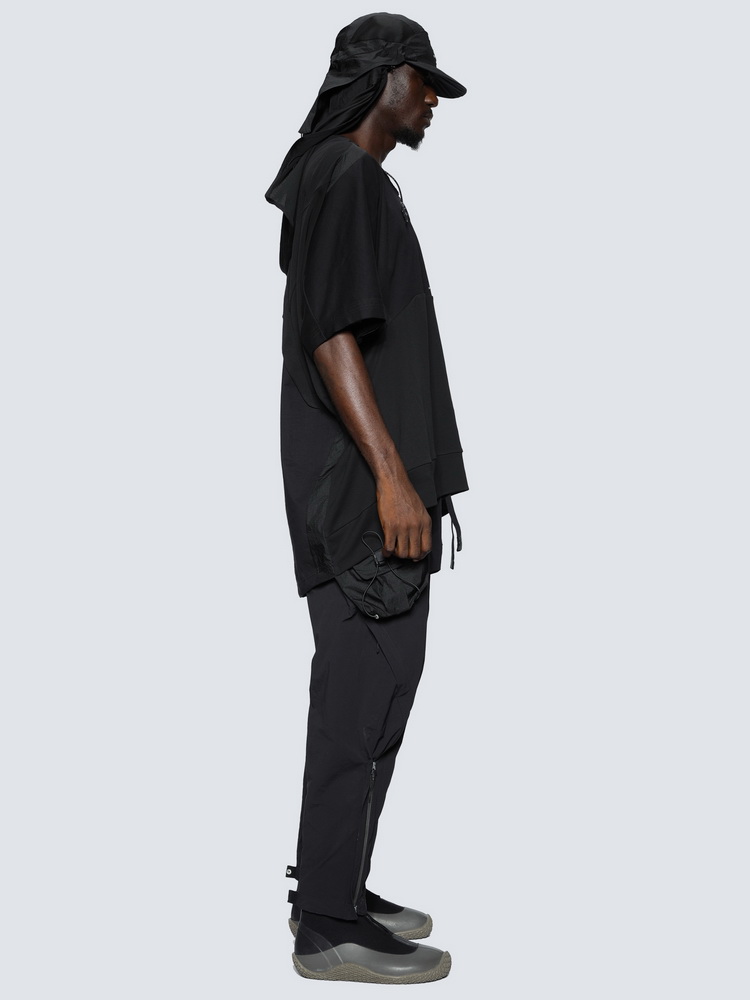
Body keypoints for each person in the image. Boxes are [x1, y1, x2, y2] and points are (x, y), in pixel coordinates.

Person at [265, 13, 469, 985]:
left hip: (371, 496)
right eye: (424, 81)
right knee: (360, 702)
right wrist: (391, 475)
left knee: (376, 698)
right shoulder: (344, 174)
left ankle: (338, 886)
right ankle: (326, 925)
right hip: (358, 502)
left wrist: (414, 479)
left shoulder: (347, 178)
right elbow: (332, 336)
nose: (432, 100)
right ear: (383, 78)